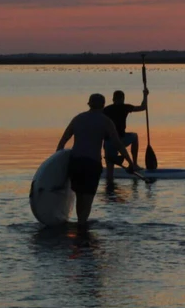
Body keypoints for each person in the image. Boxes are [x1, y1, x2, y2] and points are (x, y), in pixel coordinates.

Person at [56, 94, 140, 229]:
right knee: (88, 197)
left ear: (89, 104)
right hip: (92, 164)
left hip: (76, 162)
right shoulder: (105, 121)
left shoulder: (78, 118)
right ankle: (82, 227)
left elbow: (62, 142)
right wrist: (131, 162)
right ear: (103, 105)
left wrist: (58, 164)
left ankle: (80, 224)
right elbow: (118, 144)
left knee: (79, 195)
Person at [102, 88, 148, 184]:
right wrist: (145, 95)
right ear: (123, 99)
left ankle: (109, 191)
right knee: (134, 136)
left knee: (110, 172)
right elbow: (143, 107)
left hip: (108, 142)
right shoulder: (125, 107)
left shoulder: (105, 109)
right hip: (121, 139)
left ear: (113, 99)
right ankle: (134, 164)